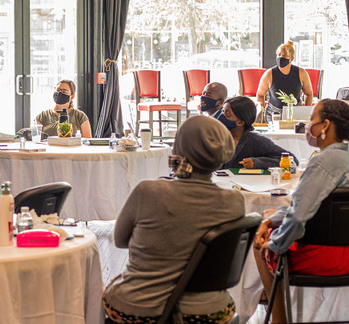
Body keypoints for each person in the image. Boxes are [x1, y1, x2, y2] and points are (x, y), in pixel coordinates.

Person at [103, 115, 244, 324]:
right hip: (210, 311)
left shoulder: (148, 191)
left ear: (178, 149)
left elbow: (120, 240)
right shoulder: (235, 201)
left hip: (140, 307)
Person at [252, 99, 349, 323]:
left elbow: (297, 218)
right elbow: (310, 206)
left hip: (325, 257)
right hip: (344, 248)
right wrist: (271, 221)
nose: (307, 125)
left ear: (324, 125)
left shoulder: (323, 163)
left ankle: (279, 319)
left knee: (260, 244)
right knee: (268, 216)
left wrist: (274, 244)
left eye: (310, 119)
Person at [217, 96, 299, 169]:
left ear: (240, 122)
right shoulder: (216, 137)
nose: (221, 116)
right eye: (222, 111)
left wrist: (258, 162)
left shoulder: (254, 140)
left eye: (227, 114)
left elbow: (292, 159)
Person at [256, 41, 314, 123]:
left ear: (291, 58)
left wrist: (307, 113)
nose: (281, 57)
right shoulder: (269, 74)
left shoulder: (301, 73)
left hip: (296, 113)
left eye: (285, 55)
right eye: (279, 55)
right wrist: (261, 115)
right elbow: (260, 94)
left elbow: (309, 93)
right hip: (274, 114)